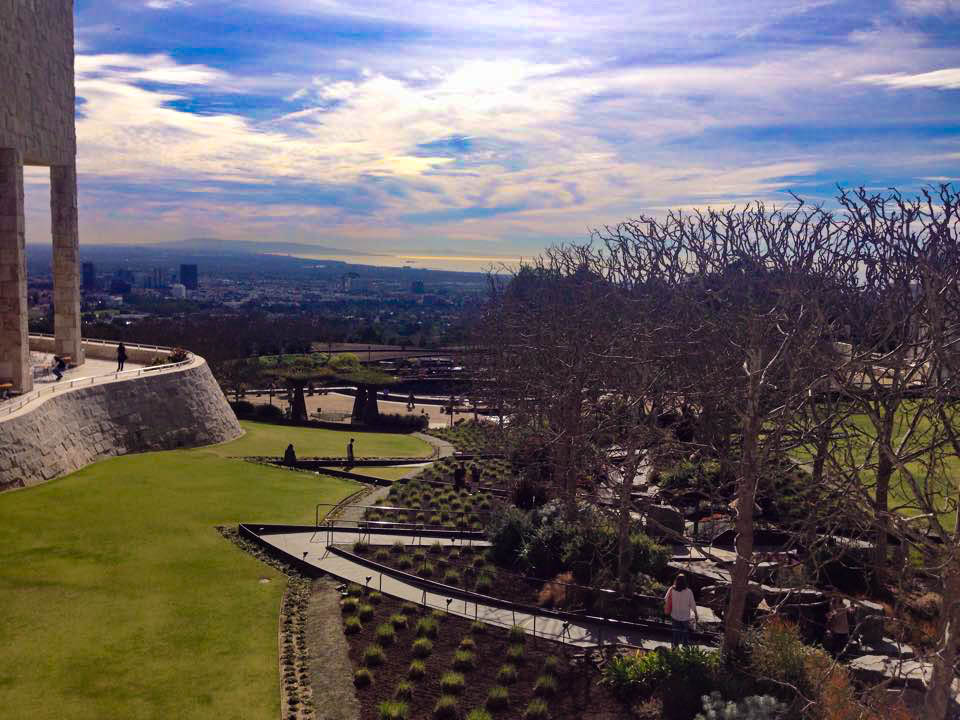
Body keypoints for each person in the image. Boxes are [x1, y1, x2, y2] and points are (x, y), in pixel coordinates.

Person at [665, 573, 698, 647]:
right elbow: (693, 605)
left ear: (676, 581)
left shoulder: (672, 589)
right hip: (685, 617)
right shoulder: (689, 591)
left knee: (675, 635)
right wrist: (696, 615)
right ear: (685, 581)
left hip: (675, 615)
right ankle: (685, 652)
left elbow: (666, 599)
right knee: (685, 636)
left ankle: (674, 650)